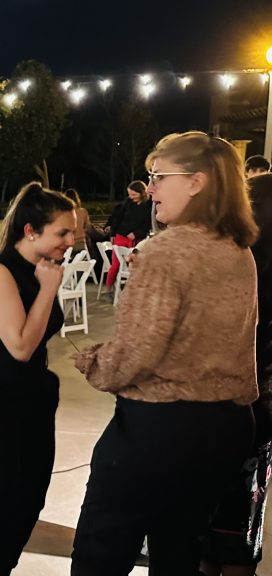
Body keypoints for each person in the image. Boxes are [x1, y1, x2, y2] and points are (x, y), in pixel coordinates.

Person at [71, 132, 259, 574]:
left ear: (197, 182)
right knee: (179, 549)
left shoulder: (166, 253)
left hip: (159, 431)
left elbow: (137, 353)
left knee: (103, 549)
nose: (150, 188)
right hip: (225, 428)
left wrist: (94, 362)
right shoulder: (238, 250)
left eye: (158, 177)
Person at [0, 182, 74, 575]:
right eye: (63, 232)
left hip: (34, 400)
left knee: (29, 503)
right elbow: (21, 345)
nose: (71, 241)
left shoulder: (41, 271)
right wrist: (47, 290)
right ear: (31, 231)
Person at [200, 172, 272, 576]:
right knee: (246, 516)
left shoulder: (229, 261)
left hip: (214, 409)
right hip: (256, 416)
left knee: (201, 520)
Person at [103, 180, 152, 288]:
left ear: (142, 193)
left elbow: (148, 223)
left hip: (138, 240)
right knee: (116, 264)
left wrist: (137, 233)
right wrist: (112, 234)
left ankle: (133, 289)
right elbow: (117, 218)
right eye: (129, 194)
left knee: (136, 264)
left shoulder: (149, 205)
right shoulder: (127, 203)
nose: (131, 197)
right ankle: (109, 288)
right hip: (121, 236)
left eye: (134, 194)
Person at [63, 188, 91, 252]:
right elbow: (88, 227)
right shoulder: (83, 211)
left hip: (67, 245)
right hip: (81, 244)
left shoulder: (62, 213)